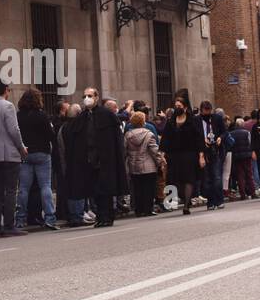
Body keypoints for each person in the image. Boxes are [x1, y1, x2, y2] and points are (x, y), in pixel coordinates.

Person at [65, 86, 125, 227]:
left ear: (96, 97)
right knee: (95, 190)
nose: (87, 99)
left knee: (106, 189)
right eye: (85, 96)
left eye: (90, 96)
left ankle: (107, 216)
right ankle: (100, 216)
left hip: (105, 159)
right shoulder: (81, 118)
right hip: (89, 160)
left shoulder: (107, 115)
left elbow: (116, 139)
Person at [15, 88, 58, 231]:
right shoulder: (42, 115)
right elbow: (51, 135)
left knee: (23, 188)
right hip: (42, 152)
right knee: (45, 186)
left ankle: (20, 219)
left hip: (25, 152)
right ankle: (50, 218)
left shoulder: (18, 116)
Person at [0, 82, 27, 236]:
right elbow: (14, 129)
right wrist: (21, 147)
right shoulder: (8, 106)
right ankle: (9, 225)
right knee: (11, 190)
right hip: (9, 153)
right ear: (6, 90)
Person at [160, 89, 204, 216]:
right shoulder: (171, 121)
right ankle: (183, 198)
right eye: (175, 106)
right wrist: (162, 154)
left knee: (189, 179)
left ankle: (186, 205)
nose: (177, 108)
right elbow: (165, 138)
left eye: (179, 106)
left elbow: (199, 138)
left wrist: (201, 156)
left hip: (189, 154)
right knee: (176, 179)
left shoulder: (193, 121)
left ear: (185, 107)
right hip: (174, 155)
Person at [124, 111, 164, 217]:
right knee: (149, 188)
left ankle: (139, 209)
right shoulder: (148, 134)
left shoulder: (128, 135)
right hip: (148, 166)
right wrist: (160, 161)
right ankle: (148, 209)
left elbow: (124, 150)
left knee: (137, 188)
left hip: (134, 165)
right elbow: (154, 150)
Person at [198, 101, 226, 210]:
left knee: (217, 176)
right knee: (207, 178)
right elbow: (194, 135)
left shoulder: (217, 118)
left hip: (216, 150)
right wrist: (202, 140)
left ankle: (219, 200)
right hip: (203, 151)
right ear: (201, 111)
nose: (207, 113)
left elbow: (224, 132)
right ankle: (210, 201)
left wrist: (220, 138)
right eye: (205, 111)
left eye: (209, 111)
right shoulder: (197, 120)